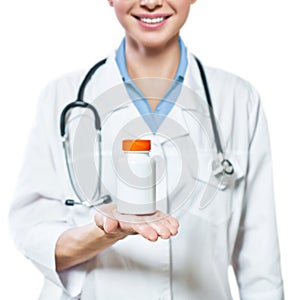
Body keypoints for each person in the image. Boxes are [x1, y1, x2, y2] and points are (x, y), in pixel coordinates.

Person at [9, 0, 284, 299]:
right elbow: (37, 240)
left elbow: (261, 270)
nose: (151, 3)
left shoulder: (238, 100)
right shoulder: (61, 98)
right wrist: (104, 233)